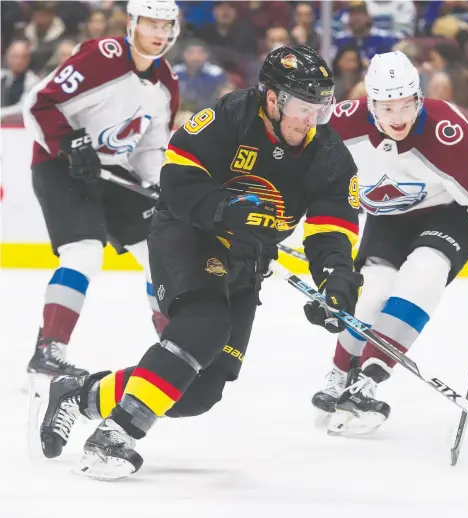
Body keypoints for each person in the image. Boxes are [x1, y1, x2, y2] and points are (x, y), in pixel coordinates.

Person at [34, 45, 362, 480]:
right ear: (271, 99)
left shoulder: (330, 155)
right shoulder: (230, 117)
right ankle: (116, 433)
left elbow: (330, 229)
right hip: (189, 234)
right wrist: (225, 210)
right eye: (303, 107)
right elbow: (177, 180)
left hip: (247, 257)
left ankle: (81, 395)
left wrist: (336, 281)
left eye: (321, 108)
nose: (311, 120)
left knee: (202, 389)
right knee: (205, 325)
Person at [312, 51, 468, 436]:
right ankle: (339, 374)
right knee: (369, 295)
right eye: (387, 108)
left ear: (418, 98)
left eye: (407, 104)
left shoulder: (444, 129)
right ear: (370, 104)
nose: (399, 117)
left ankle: (368, 381)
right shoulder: (337, 125)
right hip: (387, 217)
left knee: (425, 271)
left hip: (447, 216)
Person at [22, 0, 181, 377]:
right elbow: (39, 105)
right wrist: (68, 143)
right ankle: (49, 350)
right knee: (85, 253)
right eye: (150, 23)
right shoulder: (102, 58)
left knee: (160, 250)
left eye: (165, 25)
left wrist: (163, 184)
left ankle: (177, 348)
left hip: (114, 171)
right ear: (132, 23)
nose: (158, 34)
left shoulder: (167, 83)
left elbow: (148, 148)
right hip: (60, 166)